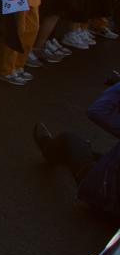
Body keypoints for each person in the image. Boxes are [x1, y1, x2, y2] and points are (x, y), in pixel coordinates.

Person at [35, 81, 120, 222]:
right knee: (99, 155)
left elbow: (97, 111)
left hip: (104, 200)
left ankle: (49, 149)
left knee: (68, 139)